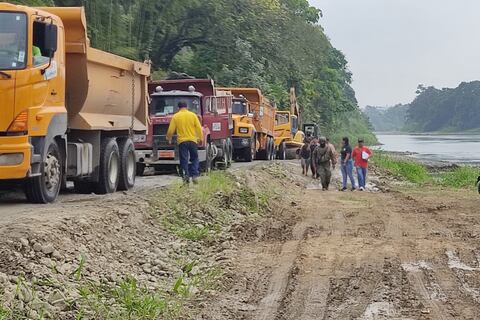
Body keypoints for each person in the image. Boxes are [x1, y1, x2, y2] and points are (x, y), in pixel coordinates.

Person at [166, 101, 203, 184]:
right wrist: (201, 138)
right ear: (187, 107)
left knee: (184, 160)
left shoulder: (176, 116)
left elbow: (171, 129)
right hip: (193, 140)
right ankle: (194, 175)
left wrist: (169, 138)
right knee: (195, 158)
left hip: (182, 141)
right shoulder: (193, 115)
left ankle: (185, 178)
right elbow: (199, 128)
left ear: (178, 108)